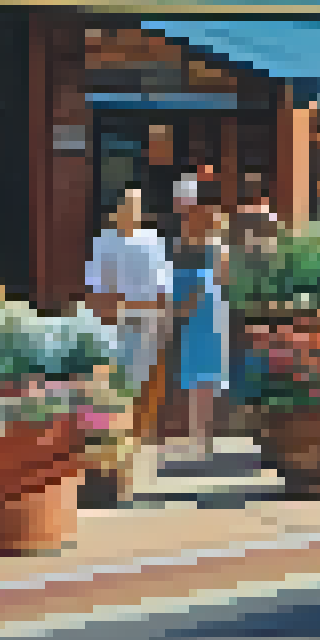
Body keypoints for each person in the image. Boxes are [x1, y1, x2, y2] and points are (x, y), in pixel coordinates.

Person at [85, 187, 174, 443]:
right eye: (127, 205)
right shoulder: (104, 241)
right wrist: (102, 315)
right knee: (114, 379)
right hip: (114, 321)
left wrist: (163, 317)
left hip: (147, 320)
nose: (132, 211)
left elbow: (163, 287)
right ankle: (114, 437)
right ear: (116, 210)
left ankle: (137, 436)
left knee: (143, 380)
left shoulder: (153, 240)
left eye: (136, 206)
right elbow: (95, 286)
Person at [168, 191, 231, 466]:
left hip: (209, 315)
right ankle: (199, 437)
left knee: (207, 380)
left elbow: (222, 278)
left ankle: (203, 438)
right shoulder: (185, 246)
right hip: (198, 316)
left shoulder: (215, 247)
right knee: (197, 380)